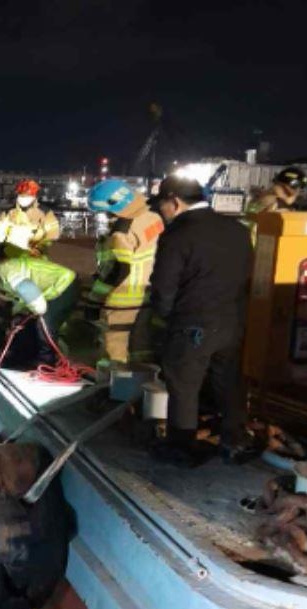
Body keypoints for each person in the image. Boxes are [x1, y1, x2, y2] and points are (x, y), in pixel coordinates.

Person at [147, 176, 254, 466]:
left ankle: (181, 447)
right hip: (232, 321)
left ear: (175, 201)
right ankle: (235, 440)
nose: (161, 212)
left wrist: (164, 317)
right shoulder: (238, 230)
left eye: (162, 206)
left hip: (192, 323)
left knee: (184, 385)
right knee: (229, 382)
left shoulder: (179, 234)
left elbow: (164, 287)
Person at [86, 179, 165, 364]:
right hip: (148, 292)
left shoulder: (121, 233)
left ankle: (113, 384)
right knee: (141, 343)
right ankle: (141, 379)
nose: (103, 216)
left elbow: (118, 269)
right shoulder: (153, 217)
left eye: (102, 211)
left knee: (114, 346)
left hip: (123, 298)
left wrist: (94, 301)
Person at [0, 223, 79, 367]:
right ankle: (25, 356)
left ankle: (47, 363)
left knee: (44, 323)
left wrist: (37, 311)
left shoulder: (5, 272)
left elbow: (28, 291)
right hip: (49, 290)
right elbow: (21, 297)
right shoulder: (1, 277)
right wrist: (19, 314)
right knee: (23, 321)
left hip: (65, 286)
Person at [0, 179, 60, 256]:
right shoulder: (9, 212)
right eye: (21, 195)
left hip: (36, 254)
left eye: (27, 196)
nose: (23, 198)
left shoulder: (45, 213)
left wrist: (40, 248)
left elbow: (53, 233)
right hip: (10, 253)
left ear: (34, 196)